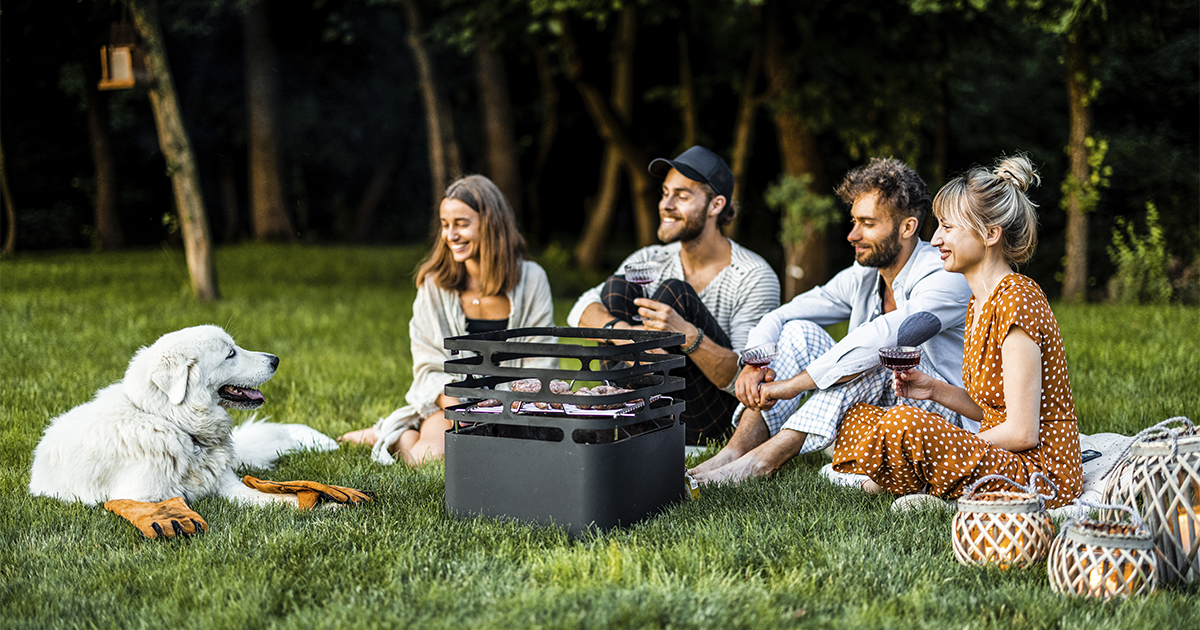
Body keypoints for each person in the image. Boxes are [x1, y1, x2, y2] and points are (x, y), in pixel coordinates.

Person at [690, 158, 973, 484]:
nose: (853, 234)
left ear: (908, 227)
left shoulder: (944, 273)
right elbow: (785, 314)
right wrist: (757, 361)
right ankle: (735, 452)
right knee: (800, 332)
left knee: (881, 358)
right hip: (883, 410)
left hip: (947, 416)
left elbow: (885, 336)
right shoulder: (864, 276)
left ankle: (765, 460)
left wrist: (791, 386)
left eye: (868, 223)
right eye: (853, 221)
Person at [830, 155, 1082, 511]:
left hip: (1039, 472)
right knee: (863, 417)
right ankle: (914, 478)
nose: (934, 240)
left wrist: (950, 442)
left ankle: (907, 482)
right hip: (1001, 453)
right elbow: (994, 411)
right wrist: (933, 390)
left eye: (947, 227)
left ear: (990, 234)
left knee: (907, 425)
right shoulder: (979, 303)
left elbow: (1023, 431)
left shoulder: (1018, 299)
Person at [567, 145, 780, 445]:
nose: (665, 204)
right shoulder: (651, 258)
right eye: (665, 193)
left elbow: (744, 381)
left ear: (716, 205)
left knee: (674, 292)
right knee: (617, 286)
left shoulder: (753, 275)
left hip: (710, 420)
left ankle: (608, 417)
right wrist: (626, 335)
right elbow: (580, 309)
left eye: (681, 196)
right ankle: (618, 412)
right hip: (652, 402)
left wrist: (687, 335)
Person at [339, 175, 556, 465]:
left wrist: (498, 411)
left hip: (516, 409)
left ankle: (387, 431)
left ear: (491, 224)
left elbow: (541, 362)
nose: (450, 234)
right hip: (452, 407)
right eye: (445, 224)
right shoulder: (434, 285)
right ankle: (399, 436)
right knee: (429, 459)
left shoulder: (532, 279)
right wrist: (462, 412)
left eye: (461, 224)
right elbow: (429, 366)